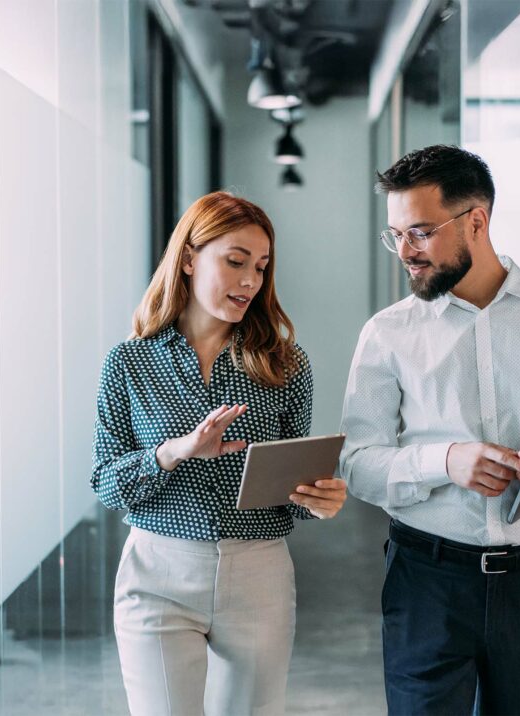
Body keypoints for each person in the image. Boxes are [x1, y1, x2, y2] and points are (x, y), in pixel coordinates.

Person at [339, 145, 520, 715]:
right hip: (424, 582)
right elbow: (357, 464)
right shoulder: (387, 334)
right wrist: (445, 461)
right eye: (396, 235)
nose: (405, 251)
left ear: (476, 221)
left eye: (420, 232)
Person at [91, 191, 347, 716]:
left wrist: (317, 498)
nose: (251, 280)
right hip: (157, 573)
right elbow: (106, 483)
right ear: (188, 258)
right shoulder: (129, 363)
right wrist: (174, 452)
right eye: (235, 262)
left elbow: (291, 497)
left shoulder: (285, 364)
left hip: (258, 576)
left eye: (261, 266)